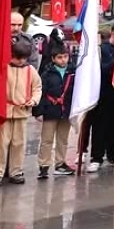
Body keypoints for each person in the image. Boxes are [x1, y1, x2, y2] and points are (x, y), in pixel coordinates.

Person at [0, 12, 39, 184]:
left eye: (19, 25)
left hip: (16, 98)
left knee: (15, 138)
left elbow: (33, 63)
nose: (16, 28)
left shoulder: (28, 41)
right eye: (12, 25)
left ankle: (12, 171)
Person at [0, 39, 42, 185]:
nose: (21, 61)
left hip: (21, 111)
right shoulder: (3, 68)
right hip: (4, 111)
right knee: (0, 143)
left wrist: (33, 100)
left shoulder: (30, 70)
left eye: (24, 58)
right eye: (17, 58)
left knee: (19, 143)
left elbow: (37, 87)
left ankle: (16, 171)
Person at [84, 18, 114, 173]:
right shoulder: (101, 49)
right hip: (102, 93)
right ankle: (96, 158)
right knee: (100, 126)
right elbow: (101, 69)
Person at [34, 46, 76, 178]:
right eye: (59, 57)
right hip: (50, 110)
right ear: (53, 59)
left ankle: (60, 163)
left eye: (65, 57)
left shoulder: (73, 72)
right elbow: (41, 92)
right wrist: (38, 112)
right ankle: (44, 165)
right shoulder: (47, 73)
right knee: (47, 139)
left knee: (62, 139)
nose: (63, 60)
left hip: (66, 110)